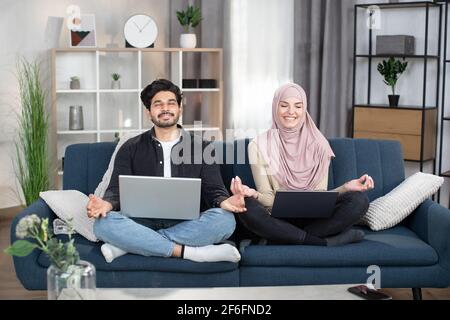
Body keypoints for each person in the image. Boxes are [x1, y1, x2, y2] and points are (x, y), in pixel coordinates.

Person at [87, 79, 247, 263]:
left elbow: (214, 190)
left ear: (179, 109)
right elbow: (115, 190)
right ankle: (190, 252)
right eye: (158, 104)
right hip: (140, 221)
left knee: (225, 220)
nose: (165, 108)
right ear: (149, 112)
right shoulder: (130, 148)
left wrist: (225, 202)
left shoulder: (202, 147)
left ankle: (129, 244)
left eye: (171, 103)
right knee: (102, 224)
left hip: (188, 223)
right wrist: (106, 204)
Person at [231, 83, 374, 246]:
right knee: (246, 206)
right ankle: (320, 241)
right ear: (275, 108)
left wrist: (346, 188)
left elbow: (320, 197)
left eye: (298, 106)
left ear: (304, 109)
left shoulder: (319, 144)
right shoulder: (259, 145)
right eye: (284, 105)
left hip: (315, 219)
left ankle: (283, 237)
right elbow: (269, 199)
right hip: (275, 218)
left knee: (359, 200)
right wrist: (253, 195)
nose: (291, 112)